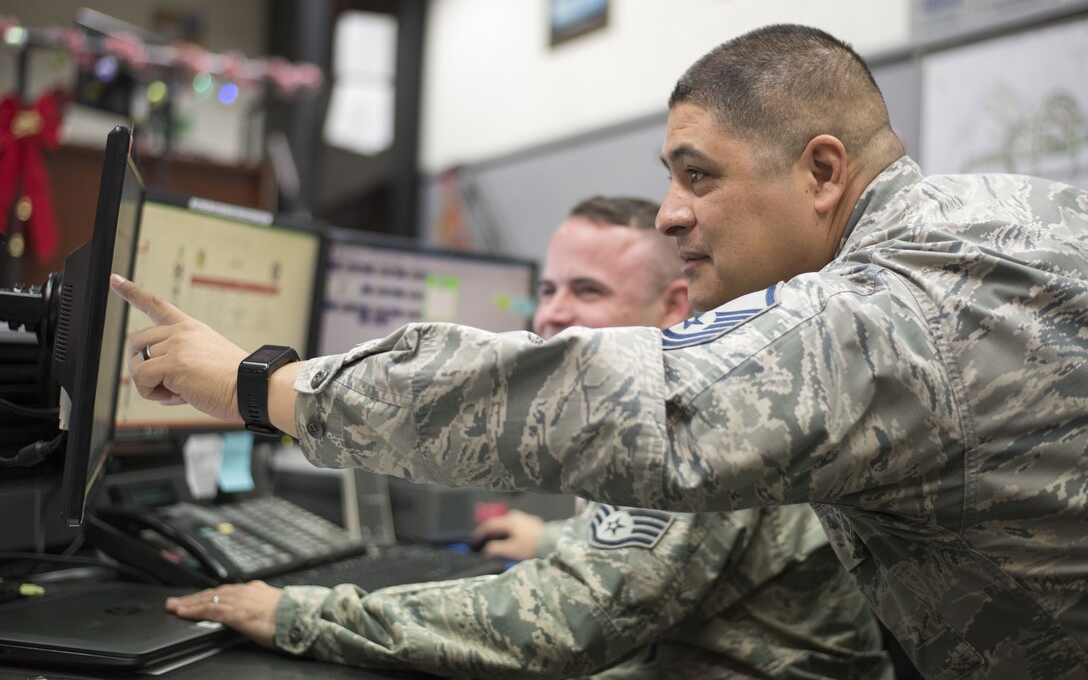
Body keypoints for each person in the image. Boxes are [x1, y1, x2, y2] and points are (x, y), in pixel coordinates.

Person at [113, 23, 1088, 679]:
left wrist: (263, 384)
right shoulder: (1008, 217)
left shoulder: (886, 314)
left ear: (821, 170)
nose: (672, 213)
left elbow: (630, 408)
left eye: (697, 177)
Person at [155, 196, 893, 678]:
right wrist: (556, 544)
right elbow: (663, 569)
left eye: (588, 292)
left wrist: (295, 614)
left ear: (674, 303)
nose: (551, 317)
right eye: (547, 289)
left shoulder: (698, 416)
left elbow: (552, 628)